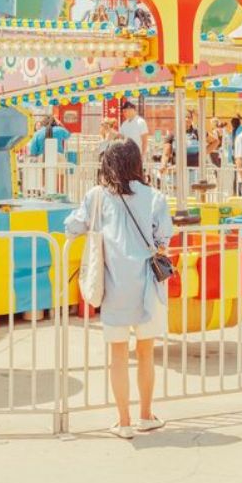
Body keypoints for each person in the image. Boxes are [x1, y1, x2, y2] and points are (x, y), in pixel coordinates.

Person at [64, 139, 169, 440]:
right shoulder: (155, 197)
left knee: (118, 355)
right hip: (147, 288)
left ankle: (123, 421)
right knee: (146, 353)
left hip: (112, 287)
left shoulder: (97, 197)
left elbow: (73, 226)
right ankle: (146, 415)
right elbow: (163, 239)